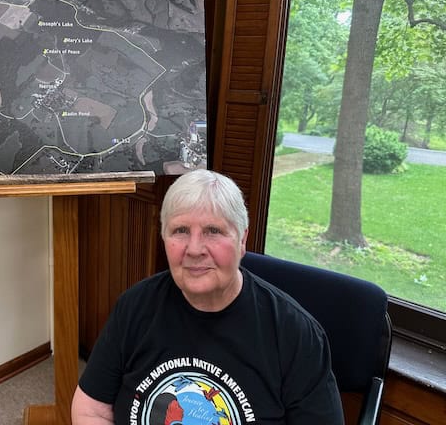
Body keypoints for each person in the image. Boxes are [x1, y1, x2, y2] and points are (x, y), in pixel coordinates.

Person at [71, 169, 344, 425]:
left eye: (213, 231)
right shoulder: (134, 306)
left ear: (242, 239)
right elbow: (90, 410)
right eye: (180, 231)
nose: (194, 249)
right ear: (164, 237)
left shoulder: (295, 334)